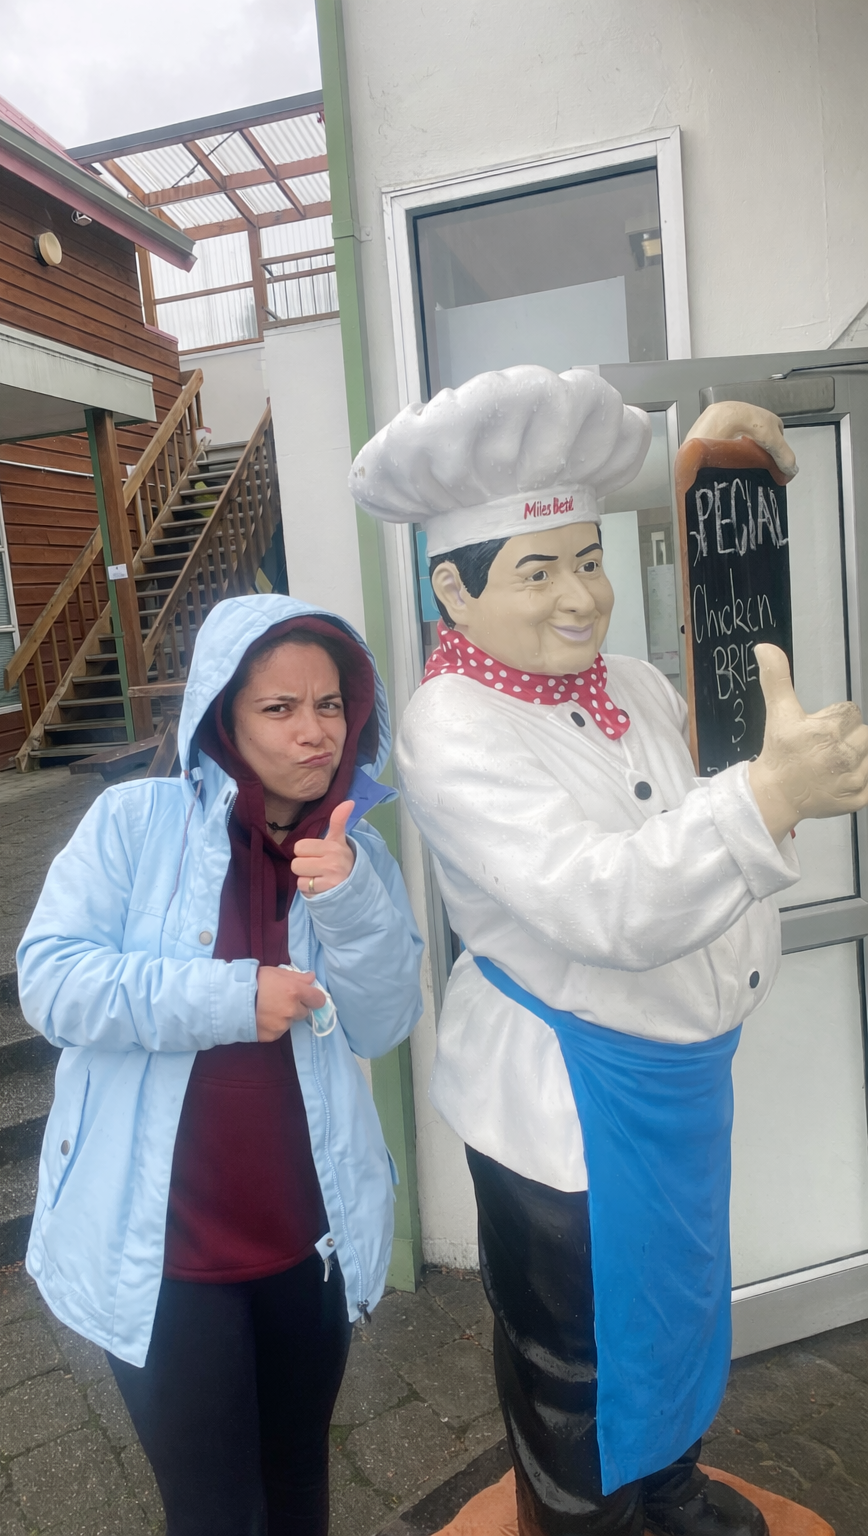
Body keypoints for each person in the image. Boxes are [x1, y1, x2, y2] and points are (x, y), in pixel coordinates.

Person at [348, 366, 868, 1536]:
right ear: (453, 587)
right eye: (536, 571)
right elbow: (602, 901)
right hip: (566, 1099)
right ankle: (584, 1522)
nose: (579, 597)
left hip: (680, 1078)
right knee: (575, 1353)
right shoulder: (453, 728)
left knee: (676, 1312)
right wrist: (768, 803)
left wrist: (713, 484)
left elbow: (734, 705)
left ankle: (668, 1493)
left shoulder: (626, 685)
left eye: (587, 559)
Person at [17, 594, 423, 1536]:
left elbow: (382, 1025)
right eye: (278, 709)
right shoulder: (132, 825)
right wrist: (232, 998)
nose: (313, 731)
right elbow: (53, 984)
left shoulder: (355, 855)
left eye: (329, 705)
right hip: (167, 1261)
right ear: (223, 719)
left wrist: (354, 903)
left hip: (306, 1250)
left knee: (299, 1493)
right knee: (214, 1513)